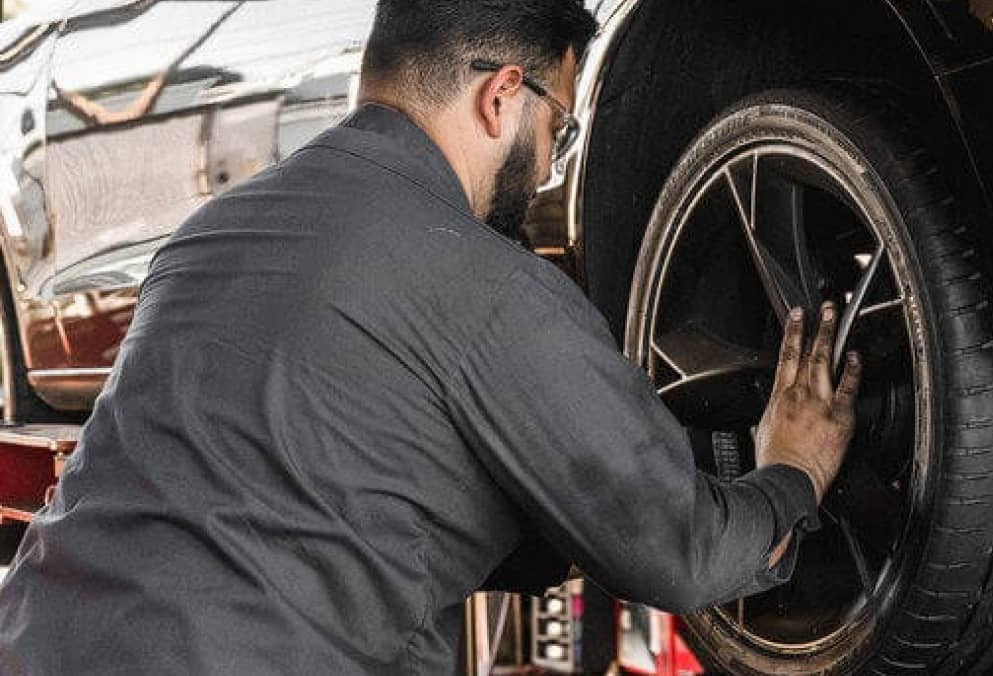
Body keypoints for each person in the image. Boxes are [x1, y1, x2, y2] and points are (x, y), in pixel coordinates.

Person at [0, 0, 861, 673]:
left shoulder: (209, 233)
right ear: (502, 95)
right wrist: (793, 471)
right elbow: (684, 556)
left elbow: (334, 487)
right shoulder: (489, 286)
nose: (552, 159)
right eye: (557, 130)